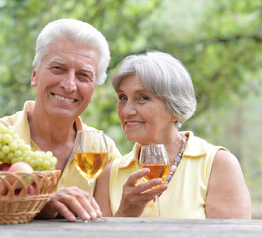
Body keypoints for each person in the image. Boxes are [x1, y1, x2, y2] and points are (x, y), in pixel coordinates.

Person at [0, 18, 122, 222]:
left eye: (84, 76)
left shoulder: (101, 150)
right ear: (34, 75)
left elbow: (116, 218)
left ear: (93, 88)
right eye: (58, 68)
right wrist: (38, 203)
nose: (69, 85)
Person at [94, 50, 252, 219]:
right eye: (123, 97)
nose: (127, 111)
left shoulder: (217, 164)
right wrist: (125, 213)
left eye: (143, 98)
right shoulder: (109, 174)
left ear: (174, 106)